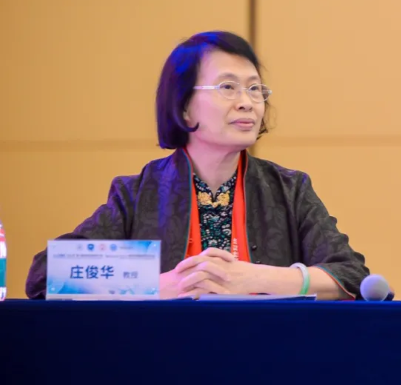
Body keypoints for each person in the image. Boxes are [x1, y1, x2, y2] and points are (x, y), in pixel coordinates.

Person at [26, 31, 370, 300]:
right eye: (228, 87)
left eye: (255, 89)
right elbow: (45, 276)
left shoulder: (289, 190)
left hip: (266, 354)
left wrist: (256, 278)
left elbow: (352, 276)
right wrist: (157, 285)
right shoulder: (138, 194)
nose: (247, 102)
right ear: (184, 106)